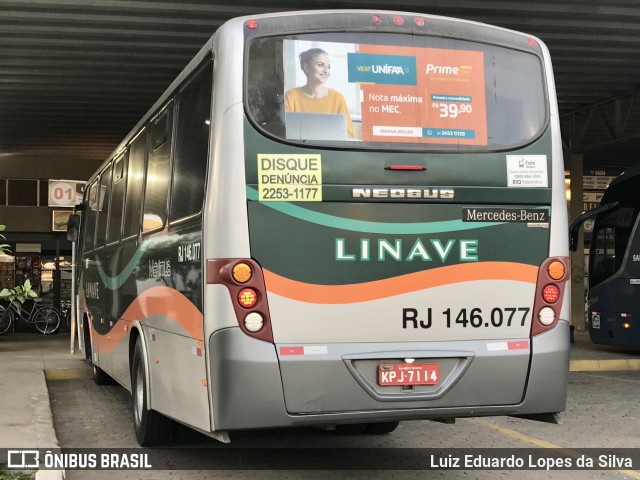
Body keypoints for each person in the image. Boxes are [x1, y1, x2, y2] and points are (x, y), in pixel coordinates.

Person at [285, 48, 354, 139]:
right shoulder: (291, 96)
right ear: (306, 67)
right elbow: (284, 132)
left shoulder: (337, 97)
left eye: (328, 67)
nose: (326, 71)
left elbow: (348, 135)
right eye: (321, 65)